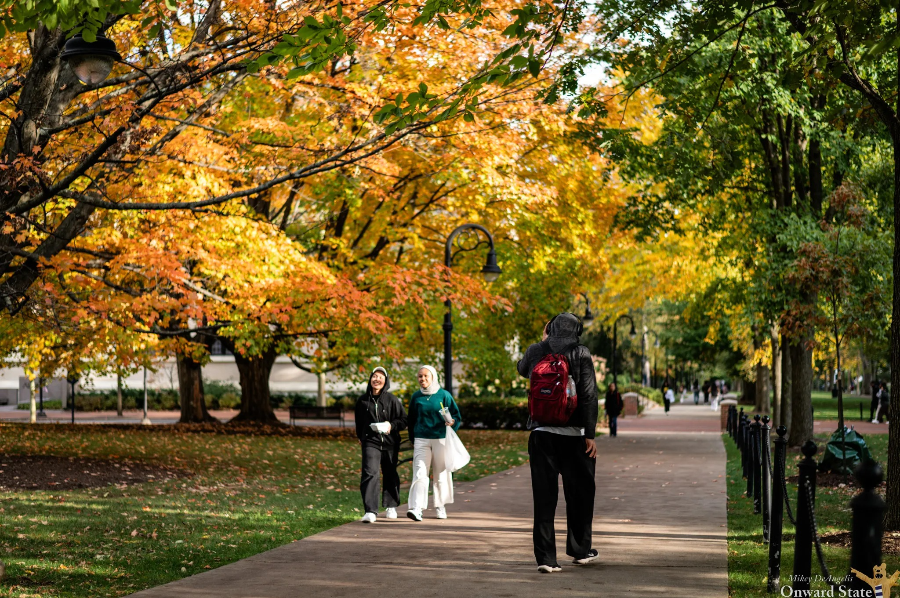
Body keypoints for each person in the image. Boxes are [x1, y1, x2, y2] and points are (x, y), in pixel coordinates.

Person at [517, 313, 599, 574]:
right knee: (580, 495)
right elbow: (588, 394)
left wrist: (543, 342)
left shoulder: (536, 350)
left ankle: (546, 558)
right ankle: (580, 550)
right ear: (577, 331)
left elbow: (522, 369)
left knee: (544, 497)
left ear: (550, 328)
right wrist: (590, 434)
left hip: (541, 435)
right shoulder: (581, 353)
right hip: (574, 436)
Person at [406, 365, 462, 521]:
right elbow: (411, 419)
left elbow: (456, 416)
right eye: (420, 376)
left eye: (426, 376)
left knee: (441, 474)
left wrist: (452, 422)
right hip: (421, 439)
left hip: (440, 438)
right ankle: (417, 508)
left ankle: (440, 506)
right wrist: (413, 438)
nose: (422, 379)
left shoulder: (444, 395)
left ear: (433, 377)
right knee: (419, 473)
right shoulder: (416, 396)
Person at [355, 367, 408, 523]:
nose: (376, 379)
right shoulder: (362, 401)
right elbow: (359, 422)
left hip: (390, 442)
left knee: (390, 472)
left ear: (385, 381)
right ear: (370, 379)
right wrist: (361, 437)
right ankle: (370, 511)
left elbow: (403, 420)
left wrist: (391, 425)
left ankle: (391, 506)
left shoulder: (392, 400)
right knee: (370, 473)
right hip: (371, 441)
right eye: (374, 376)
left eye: (380, 377)